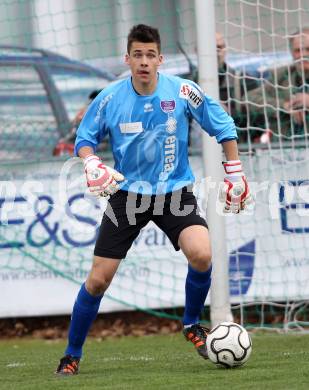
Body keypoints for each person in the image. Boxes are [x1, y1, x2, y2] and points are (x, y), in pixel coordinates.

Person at [55, 24, 251, 375]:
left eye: (150, 55)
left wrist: (234, 172)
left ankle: (192, 325)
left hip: (174, 192)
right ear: (127, 59)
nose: (144, 62)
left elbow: (223, 126)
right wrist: (91, 162)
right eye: (138, 55)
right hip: (128, 196)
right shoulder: (111, 98)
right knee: (99, 279)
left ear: (160, 59)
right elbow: (83, 139)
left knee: (203, 254)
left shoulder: (183, 92)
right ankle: (71, 355)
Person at [247, 27, 309, 143]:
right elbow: (249, 98)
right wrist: (284, 106)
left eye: (308, 49)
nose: (303, 55)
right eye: (298, 50)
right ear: (291, 53)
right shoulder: (282, 75)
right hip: (285, 145)